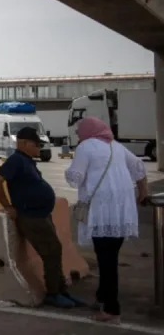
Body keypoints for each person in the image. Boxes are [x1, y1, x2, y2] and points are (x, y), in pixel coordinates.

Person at [64, 116, 149, 324]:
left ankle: (112, 310)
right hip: (120, 213)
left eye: (79, 130)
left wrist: (69, 169)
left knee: (106, 261)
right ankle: (103, 298)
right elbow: (139, 166)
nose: (77, 133)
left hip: (102, 212)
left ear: (88, 131)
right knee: (109, 257)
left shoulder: (86, 147)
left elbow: (75, 178)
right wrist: (142, 193)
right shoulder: (116, 146)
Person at [0, 127, 79, 308]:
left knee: (55, 250)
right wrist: (7, 206)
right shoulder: (16, 160)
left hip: (41, 214)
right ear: (23, 143)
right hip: (31, 216)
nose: (39, 148)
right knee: (51, 251)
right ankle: (54, 293)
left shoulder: (27, 160)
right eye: (36, 145)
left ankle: (61, 290)